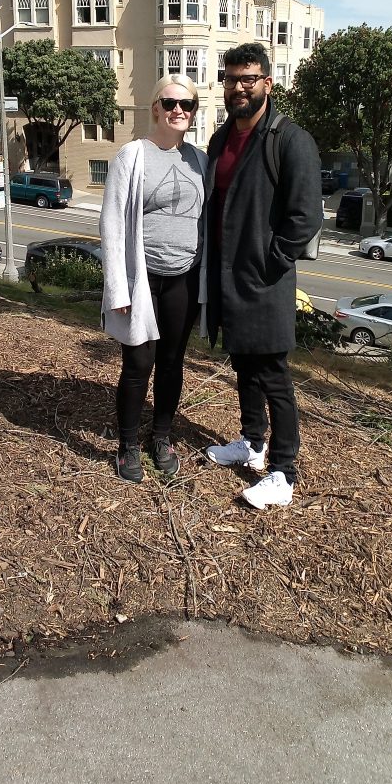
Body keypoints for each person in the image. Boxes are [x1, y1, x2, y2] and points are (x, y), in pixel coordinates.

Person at [205, 43, 322, 509]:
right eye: (231, 78)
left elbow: (304, 217)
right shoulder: (220, 138)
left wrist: (267, 263)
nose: (238, 87)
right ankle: (251, 442)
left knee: (273, 375)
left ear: (267, 84)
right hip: (226, 278)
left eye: (248, 78)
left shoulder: (289, 140)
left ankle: (283, 472)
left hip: (264, 280)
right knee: (243, 365)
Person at [100, 74, 207, 484]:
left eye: (188, 104)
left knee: (172, 364)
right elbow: (111, 222)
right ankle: (127, 445)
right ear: (155, 108)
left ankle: (160, 436)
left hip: (183, 279)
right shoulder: (133, 155)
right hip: (142, 280)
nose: (179, 110)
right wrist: (117, 288)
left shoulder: (199, 160)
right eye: (171, 102)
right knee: (138, 364)